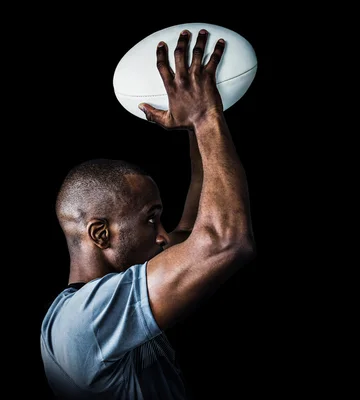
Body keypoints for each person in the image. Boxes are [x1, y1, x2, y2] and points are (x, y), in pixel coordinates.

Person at [40, 28, 255, 400]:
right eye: (151, 219)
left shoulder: (104, 304)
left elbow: (196, 223)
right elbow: (224, 240)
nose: (163, 235)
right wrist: (206, 116)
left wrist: (192, 125)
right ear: (100, 234)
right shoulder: (85, 320)